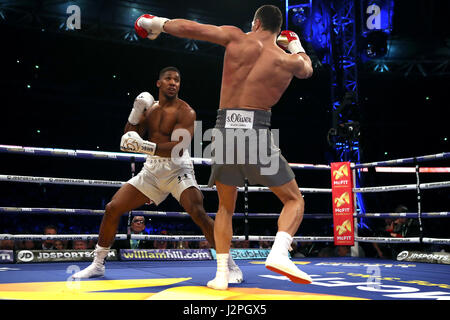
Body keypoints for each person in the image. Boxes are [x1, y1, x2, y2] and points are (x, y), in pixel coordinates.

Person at [134, 4, 314, 289]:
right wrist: (295, 45)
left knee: (225, 208)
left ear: (255, 22)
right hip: (255, 131)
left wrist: (156, 22)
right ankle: (279, 252)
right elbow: (306, 70)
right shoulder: (285, 59)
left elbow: (193, 29)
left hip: (223, 131)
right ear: (278, 31)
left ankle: (220, 275)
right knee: (294, 200)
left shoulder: (236, 38)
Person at [73, 67, 242, 283]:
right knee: (112, 208)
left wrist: (144, 146)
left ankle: (230, 265)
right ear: (159, 83)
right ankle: (97, 265)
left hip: (178, 169)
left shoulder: (186, 112)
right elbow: (128, 139)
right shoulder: (150, 110)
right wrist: (135, 112)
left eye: (177, 80)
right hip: (152, 171)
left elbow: (178, 148)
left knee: (198, 212)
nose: (173, 83)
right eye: (169, 79)